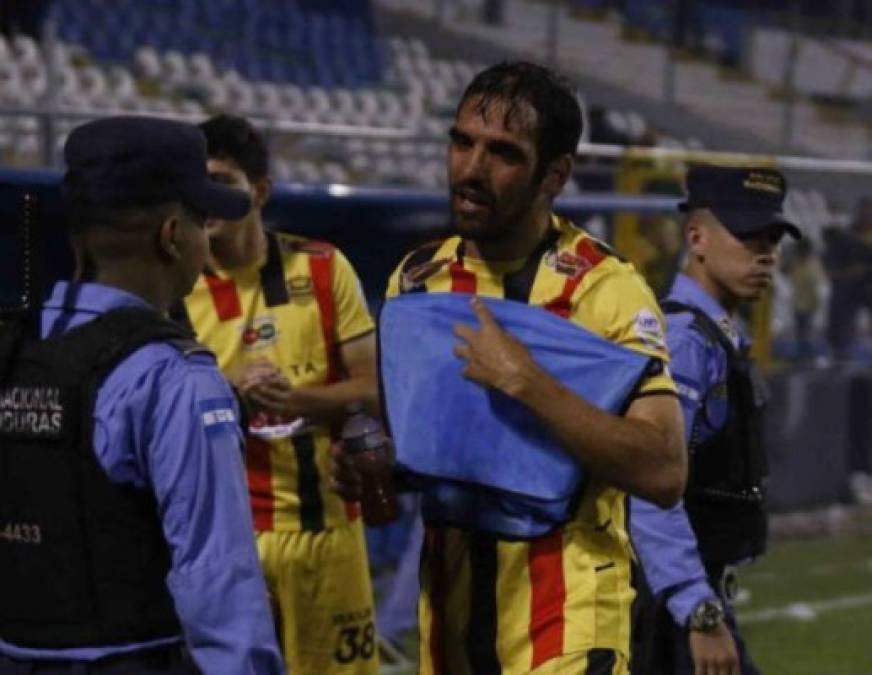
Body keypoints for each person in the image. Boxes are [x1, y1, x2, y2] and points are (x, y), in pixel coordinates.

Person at [333, 61, 686, 675]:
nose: (471, 169)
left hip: (569, 619)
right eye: (462, 142)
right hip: (450, 624)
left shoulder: (607, 290)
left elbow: (663, 468)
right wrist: (370, 463)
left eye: (502, 153)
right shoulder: (417, 282)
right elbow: (418, 449)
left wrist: (528, 382)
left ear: (555, 174)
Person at [0, 116, 284, 673]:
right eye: (203, 221)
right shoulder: (176, 377)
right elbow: (217, 580)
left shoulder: (11, 346)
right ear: (172, 236)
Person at [178, 114, 380, 675]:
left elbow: (375, 391)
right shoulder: (177, 291)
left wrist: (299, 402)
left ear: (260, 191)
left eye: (222, 179)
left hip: (327, 535)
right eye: (198, 182)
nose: (208, 196)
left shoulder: (322, 267)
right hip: (227, 545)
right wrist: (231, 397)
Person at [630, 165, 801, 675]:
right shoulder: (684, 342)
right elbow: (650, 485)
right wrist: (697, 611)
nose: (765, 251)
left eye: (771, 237)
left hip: (681, 593)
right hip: (670, 600)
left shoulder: (714, 336)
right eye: (747, 235)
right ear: (697, 237)